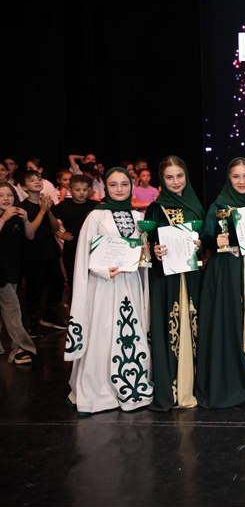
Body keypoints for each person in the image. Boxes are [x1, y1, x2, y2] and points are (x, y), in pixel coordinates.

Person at [64, 167, 153, 414]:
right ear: (105, 187)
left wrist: (144, 253)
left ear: (131, 186)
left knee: (129, 332)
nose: (119, 189)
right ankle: (97, 392)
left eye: (124, 184)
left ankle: (132, 386)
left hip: (130, 284)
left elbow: (141, 251)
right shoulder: (96, 216)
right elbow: (84, 253)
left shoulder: (137, 216)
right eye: (113, 185)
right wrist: (104, 270)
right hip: (103, 285)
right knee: (102, 332)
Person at [195, 158, 245, 408]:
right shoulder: (218, 205)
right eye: (236, 176)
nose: (242, 181)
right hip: (223, 271)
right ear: (229, 179)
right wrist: (214, 241)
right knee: (226, 321)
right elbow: (205, 237)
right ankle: (227, 382)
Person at [146, 156, 205, 411]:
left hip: (192, 276)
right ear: (162, 179)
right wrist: (155, 250)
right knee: (171, 327)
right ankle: (173, 388)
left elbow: (206, 238)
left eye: (179, 176)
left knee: (195, 325)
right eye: (169, 177)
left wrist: (201, 244)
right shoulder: (156, 208)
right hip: (167, 279)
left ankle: (193, 387)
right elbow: (147, 242)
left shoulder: (195, 205)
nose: (176, 181)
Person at [20, 170, 68, 330]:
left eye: (39, 179)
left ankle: (50, 315)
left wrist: (48, 210)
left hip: (50, 249)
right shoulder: (23, 207)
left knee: (57, 282)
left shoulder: (47, 202)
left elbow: (55, 227)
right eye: (32, 180)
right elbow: (30, 233)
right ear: (24, 187)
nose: (37, 182)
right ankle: (32, 322)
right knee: (35, 287)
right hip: (33, 252)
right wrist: (42, 210)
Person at [0, 182, 38, 365]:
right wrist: (3, 218)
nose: (6, 198)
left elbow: (30, 236)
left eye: (9, 195)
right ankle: (21, 348)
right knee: (13, 309)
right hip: (1, 272)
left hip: (12, 269)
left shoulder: (16, 216)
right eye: (1, 195)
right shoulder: (5, 216)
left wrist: (26, 220)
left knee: (7, 309)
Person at [52, 175, 98, 296]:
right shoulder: (63, 206)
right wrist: (60, 234)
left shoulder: (95, 205)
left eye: (85, 190)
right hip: (72, 245)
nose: (81, 193)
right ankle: (74, 301)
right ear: (70, 190)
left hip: (91, 246)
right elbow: (50, 220)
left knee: (91, 276)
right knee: (73, 275)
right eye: (77, 190)